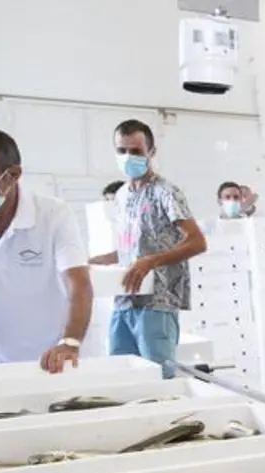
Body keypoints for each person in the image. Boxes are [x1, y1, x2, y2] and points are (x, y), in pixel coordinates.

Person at [0, 127, 92, 372]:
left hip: (56, 357)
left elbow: (79, 283)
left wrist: (70, 342)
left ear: (12, 175)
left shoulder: (53, 214)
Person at [89, 119, 207, 378]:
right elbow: (131, 248)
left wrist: (151, 261)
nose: (128, 157)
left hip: (157, 302)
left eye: (136, 151)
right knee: (121, 375)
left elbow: (197, 241)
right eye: (122, 151)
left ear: (151, 152)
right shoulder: (122, 195)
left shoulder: (166, 192)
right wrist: (96, 261)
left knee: (158, 378)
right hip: (124, 299)